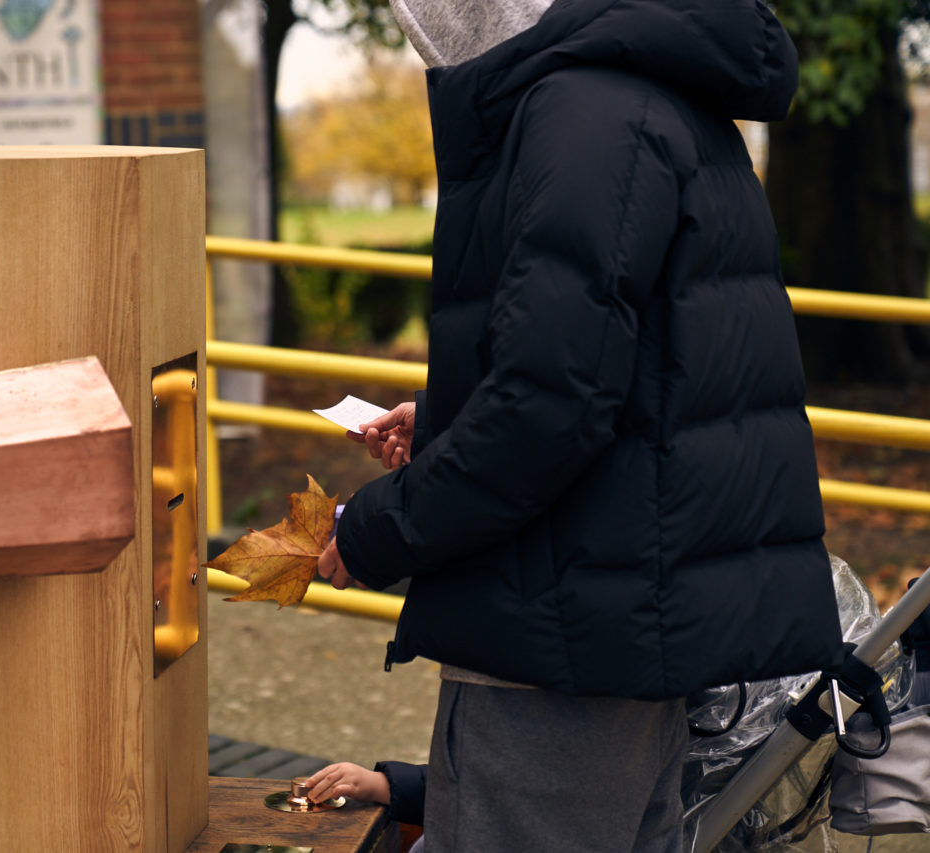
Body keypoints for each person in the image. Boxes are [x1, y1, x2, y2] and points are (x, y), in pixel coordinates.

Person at [316, 0, 846, 850]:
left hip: (558, 643)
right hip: (623, 624)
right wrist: (454, 421)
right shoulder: (654, 92)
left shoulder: (581, 111)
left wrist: (376, 529)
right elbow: (645, 381)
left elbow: (546, 406)